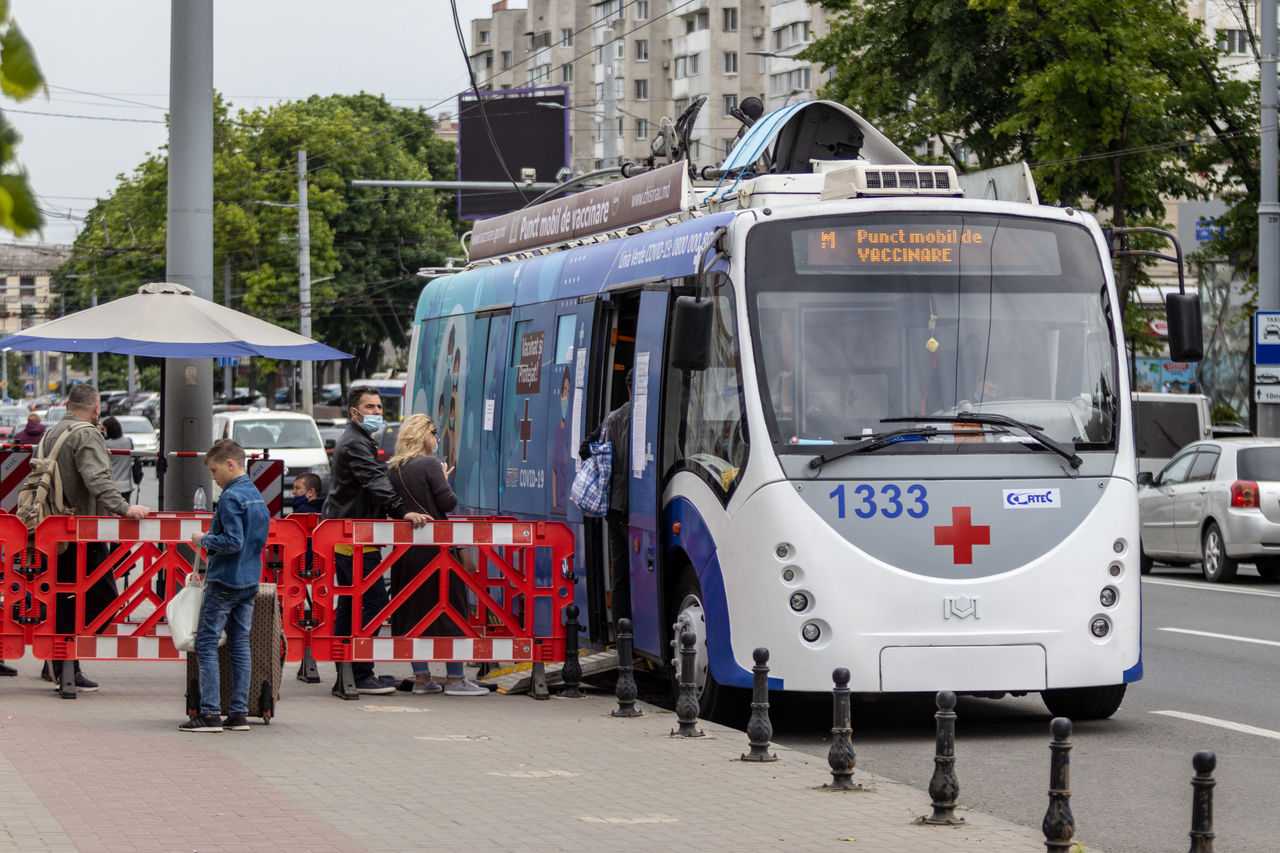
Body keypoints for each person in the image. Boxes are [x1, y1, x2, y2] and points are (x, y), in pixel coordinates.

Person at [41, 384, 148, 691]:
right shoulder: (86, 434)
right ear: (96, 407)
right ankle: (66, 662)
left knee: (64, 600)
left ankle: (65, 666)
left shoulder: (52, 433)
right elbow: (97, 478)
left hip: (52, 529)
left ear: (66, 404)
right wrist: (124, 508)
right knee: (103, 601)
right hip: (80, 532)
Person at [323, 385, 429, 696]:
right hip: (353, 537)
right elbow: (373, 480)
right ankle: (359, 671)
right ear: (354, 413)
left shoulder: (359, 439)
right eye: (370, 407)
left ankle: (350, 671)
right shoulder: (355, 442)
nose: (377, 413)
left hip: (352, 534)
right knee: (373, 602)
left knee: (351, 602)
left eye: (380, 407)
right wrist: (402, 511)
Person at [387, 414, 487, 696]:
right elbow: (448, 503)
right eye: (435, 434)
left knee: (413, 613)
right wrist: (444, 479)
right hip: (436, 551)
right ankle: (455, 679)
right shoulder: (430, 464)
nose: (437, 439)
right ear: (425, 434)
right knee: (450, 607)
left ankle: (421, 679)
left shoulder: (394, 468)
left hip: (405, 553)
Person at [182, 439, 271, 732]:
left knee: (206, 643)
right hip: (249, 580)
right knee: (240, 646)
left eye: (214, 469)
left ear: (230, 464)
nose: (213, 478)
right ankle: (238, 714)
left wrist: (202, 539)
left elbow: (233, 542)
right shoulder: (257, 496)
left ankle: (209, 714)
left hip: (224, 580)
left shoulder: (232, 498)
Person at [581, 369, 633, 623]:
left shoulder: (613, 418)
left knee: (621, 576)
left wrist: (605, 462)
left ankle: (624, 634)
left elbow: (584, 449)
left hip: (615, 509)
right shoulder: (647, 418)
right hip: (640, 510)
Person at [100, 416, 134, 502]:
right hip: (127, 484)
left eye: (104, 429)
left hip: (111, 485)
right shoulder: (128, 441)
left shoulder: (105, 444)